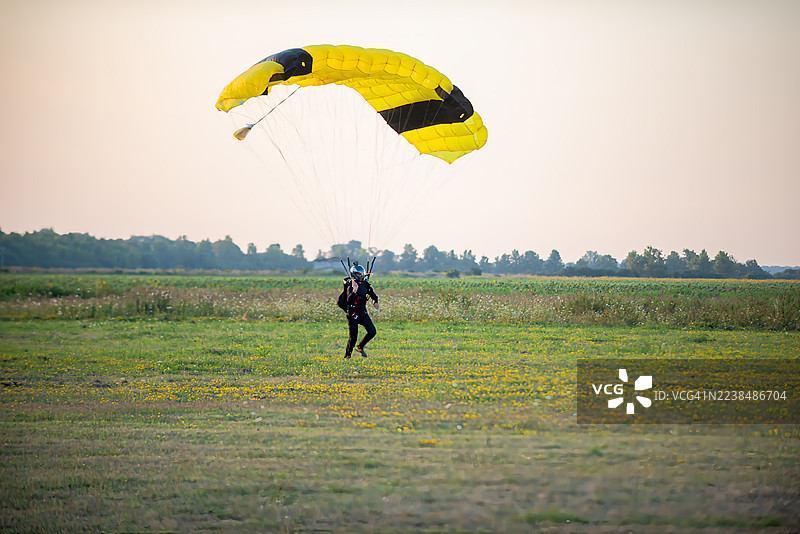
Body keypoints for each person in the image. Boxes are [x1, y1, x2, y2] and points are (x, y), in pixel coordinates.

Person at [344, 263, 379, 358]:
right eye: (359, 274)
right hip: (352, 314)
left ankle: (360, 347)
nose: (362, 276)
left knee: (372, 331)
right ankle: (348, 356)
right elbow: (349, 300)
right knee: (353, 337)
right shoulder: (350, 286)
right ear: (354, 275)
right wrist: (354, 291)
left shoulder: (365, 284)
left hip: (362, 312)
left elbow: (373, 294)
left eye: (362, 274)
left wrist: (375, 301)